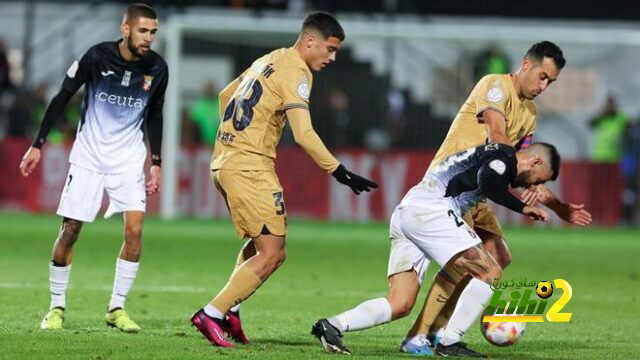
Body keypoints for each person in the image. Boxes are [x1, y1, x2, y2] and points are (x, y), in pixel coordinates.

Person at [190, 12, 378, 348]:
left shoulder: (270, 58)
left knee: (260, 244)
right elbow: (303, 133)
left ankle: (231, 308)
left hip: (224, 160)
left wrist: (232, 140)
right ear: (310, 42)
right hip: (250, 166)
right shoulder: (298, 71)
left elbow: (224, 96)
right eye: (330, 49)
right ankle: (212, 312)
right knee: (274, 253)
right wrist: (340, 171)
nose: (332, 58)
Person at [399, 40, 592, 354]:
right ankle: (421, 336)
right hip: (451, 187)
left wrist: (558, 207)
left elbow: (519, 165)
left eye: (550, 82)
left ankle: (439, 333)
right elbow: (497, 135)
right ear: (526, 64)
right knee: (471, 263)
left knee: (499, 256)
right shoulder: (495, 86)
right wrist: (513, 163)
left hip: (477, 193)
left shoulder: (529, 113)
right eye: (542, 76)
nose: (544, 85)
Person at [312, 142, 560, 357]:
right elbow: (488, 183)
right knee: (489, 272)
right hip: (432, 211)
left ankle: (331, 326)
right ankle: (450, 342)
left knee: (401, 303)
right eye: (540, 179)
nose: (534, 186)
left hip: (409, 210)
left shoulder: (497, 158)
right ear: (535, 161)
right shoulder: (502, 157)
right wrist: (523, 208)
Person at [19, 3, 167, 333]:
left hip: (128, 160)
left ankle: (117, 307)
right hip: (89, 157)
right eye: (143, 30)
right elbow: (62, 96)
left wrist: (155, 162)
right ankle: (56, 306)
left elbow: (155, 113)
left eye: (153, 32)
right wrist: (37, 145)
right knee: (70, 231)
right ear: (126, 29)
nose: (149, 38)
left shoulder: (157, 68)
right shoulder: (97, 57)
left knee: (135, 231)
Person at [590, 95, 629, 164]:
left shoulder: (621, 118)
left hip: (615, 155)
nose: (608, 107)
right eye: (607, 105)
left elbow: (628, 131)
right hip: (600, 155)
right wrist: (599, 113)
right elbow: (591, 124)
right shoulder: (601, 117)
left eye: (610, 105)